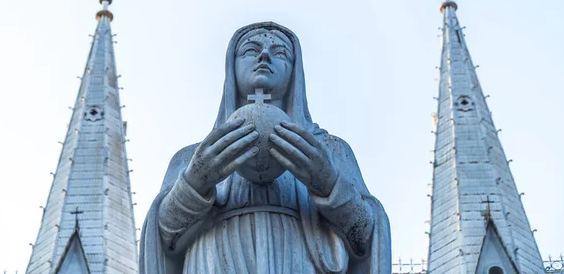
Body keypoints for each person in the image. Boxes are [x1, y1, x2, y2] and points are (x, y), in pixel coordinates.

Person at [140, 22, 391, 273]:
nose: (264, 55)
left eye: (280, 53)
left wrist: (328, 183)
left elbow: (367, 236)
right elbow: (163, 237)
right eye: (251, 49)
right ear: (232, 66)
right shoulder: (195, 156)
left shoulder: (330, 150)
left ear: (294, 72)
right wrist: (195, 182)